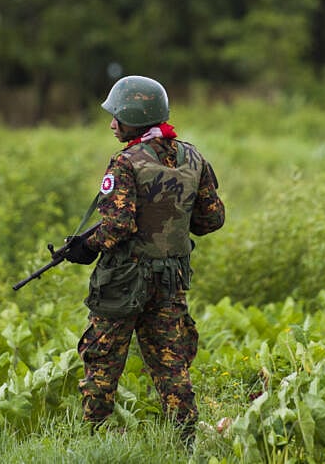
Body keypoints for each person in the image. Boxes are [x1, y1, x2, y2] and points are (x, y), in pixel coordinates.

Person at [64, 75, 225, 446]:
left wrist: (87, 248)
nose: (111, 123)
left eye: (116, 116)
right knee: (172, 363)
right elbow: (212, 219)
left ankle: (92, 438)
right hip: (170, 279)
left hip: (124, 280)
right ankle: (185, 441)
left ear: (134, 117)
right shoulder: (193, 157)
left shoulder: (126, 162)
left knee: (103, 358)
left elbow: (117, 226)